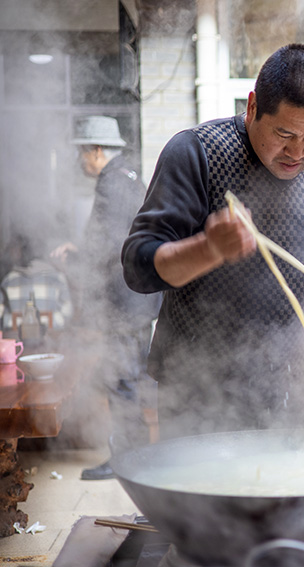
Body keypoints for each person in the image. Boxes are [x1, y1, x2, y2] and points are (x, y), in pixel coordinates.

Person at [122, 44, 304, 440]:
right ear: (253, 107)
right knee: (204, 499)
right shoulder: (198, 152)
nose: (297, 153)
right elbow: (138, 266)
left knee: (285, 496)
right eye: (284, 133)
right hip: (196, 388)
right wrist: (209, 249)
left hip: (289, 386)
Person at [52, 115, 160, 480]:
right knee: (128, 378)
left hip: (126, 303)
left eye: (83, 152)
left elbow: (111, 245)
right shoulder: (128, 176)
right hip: (138, 299)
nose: (81, 160)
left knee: (123, 379)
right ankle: (133, 457)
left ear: (97, 151)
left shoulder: (112, 183)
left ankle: (127, 461)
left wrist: (77, 258)